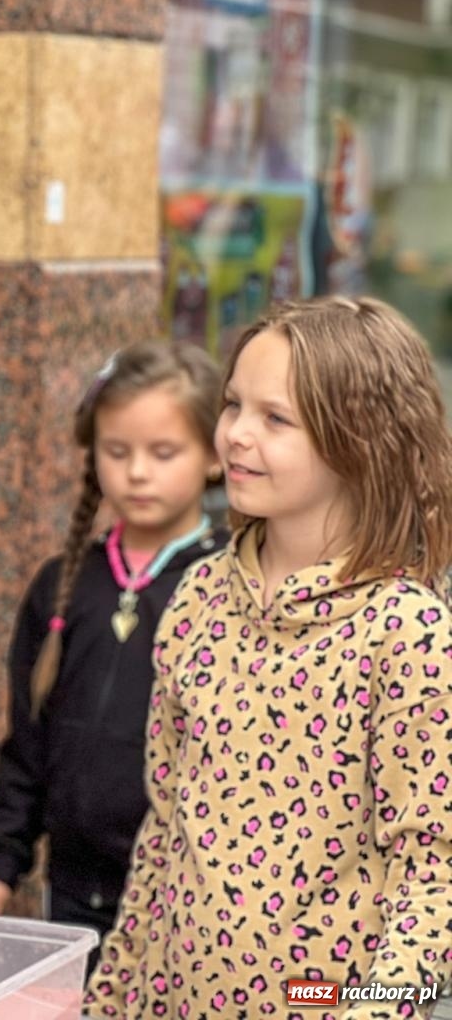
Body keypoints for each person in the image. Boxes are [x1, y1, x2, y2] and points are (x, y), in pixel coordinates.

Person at [85, 297, 452, 1019]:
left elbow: (434, 875)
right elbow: (164, 831)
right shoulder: (196, 599)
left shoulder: (408, 635)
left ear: (360, 440)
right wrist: (111, 1000)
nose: (236, 435)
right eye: (232, 406)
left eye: (275, 418)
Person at [0, 340, 226, 952]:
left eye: (163, 452)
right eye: (117, 451)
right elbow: (28, 740)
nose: (136, 472)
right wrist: (0, 859)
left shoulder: (227, 587)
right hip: (73, 894)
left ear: (212, 455)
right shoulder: (62, 585)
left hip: (185, 900)